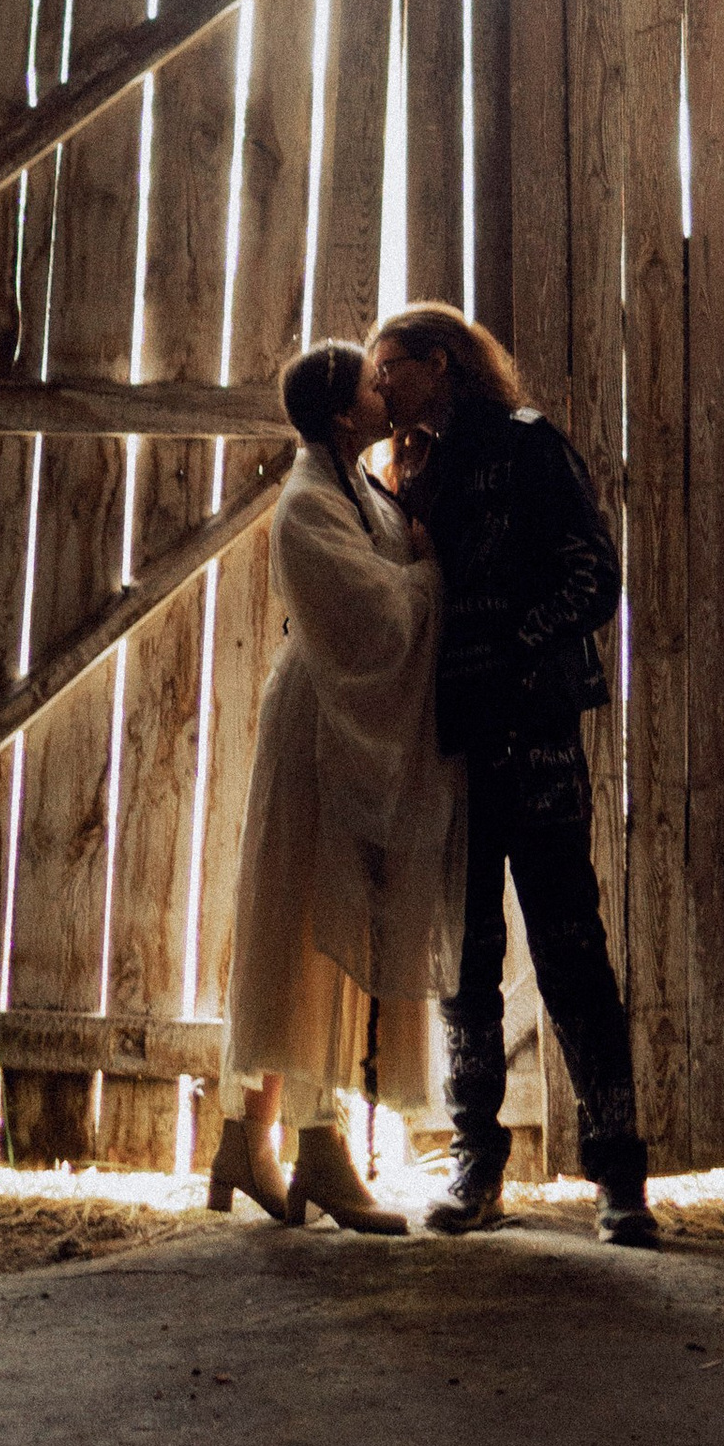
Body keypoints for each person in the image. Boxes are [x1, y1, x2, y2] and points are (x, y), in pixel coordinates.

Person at [368, 304, 658, 1248]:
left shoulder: (530, 447)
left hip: (533, 739)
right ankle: (477, 1169)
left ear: (439, 363)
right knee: (467, 964)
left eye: (391, 368)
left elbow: (594, 576)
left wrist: (513, 650)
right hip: (455, 745)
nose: (379, 389)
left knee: (572, 949)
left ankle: (621, 1183)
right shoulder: (415, 467)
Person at [209, 337, 466, 1234]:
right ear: (339, 410)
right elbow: (376, 614)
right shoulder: (309, 505)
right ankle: (318, 1149)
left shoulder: (355, 486)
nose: (383, 388)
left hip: (340, 721)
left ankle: (252, 1143)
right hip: (321, 728)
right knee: (317, 924)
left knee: (321, 922)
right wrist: (435, 573)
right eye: (370, 381)